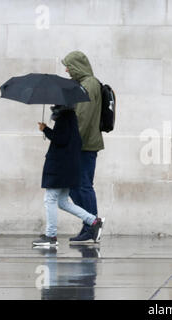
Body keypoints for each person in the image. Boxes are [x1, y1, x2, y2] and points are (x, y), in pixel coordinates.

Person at [33, 105, 105, 247]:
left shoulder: (65, 117)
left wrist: (45, 130)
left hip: (60, 167)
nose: (52, 106)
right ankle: (94, 221)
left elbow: (61, 139)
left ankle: (51, 236)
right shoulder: (70, 117)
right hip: (67, 167)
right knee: (62, 202)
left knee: (50, 199)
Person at [61, 51, 105, 243]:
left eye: (68, 65)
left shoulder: (88, 85)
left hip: (83, 145)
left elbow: (83, 118)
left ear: (77, 66)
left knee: (82, 186)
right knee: (75, 187)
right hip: (84, 144)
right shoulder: (86, 84)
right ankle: (89, 224)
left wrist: (71, 143)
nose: (66, 69)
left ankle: (91, 225)